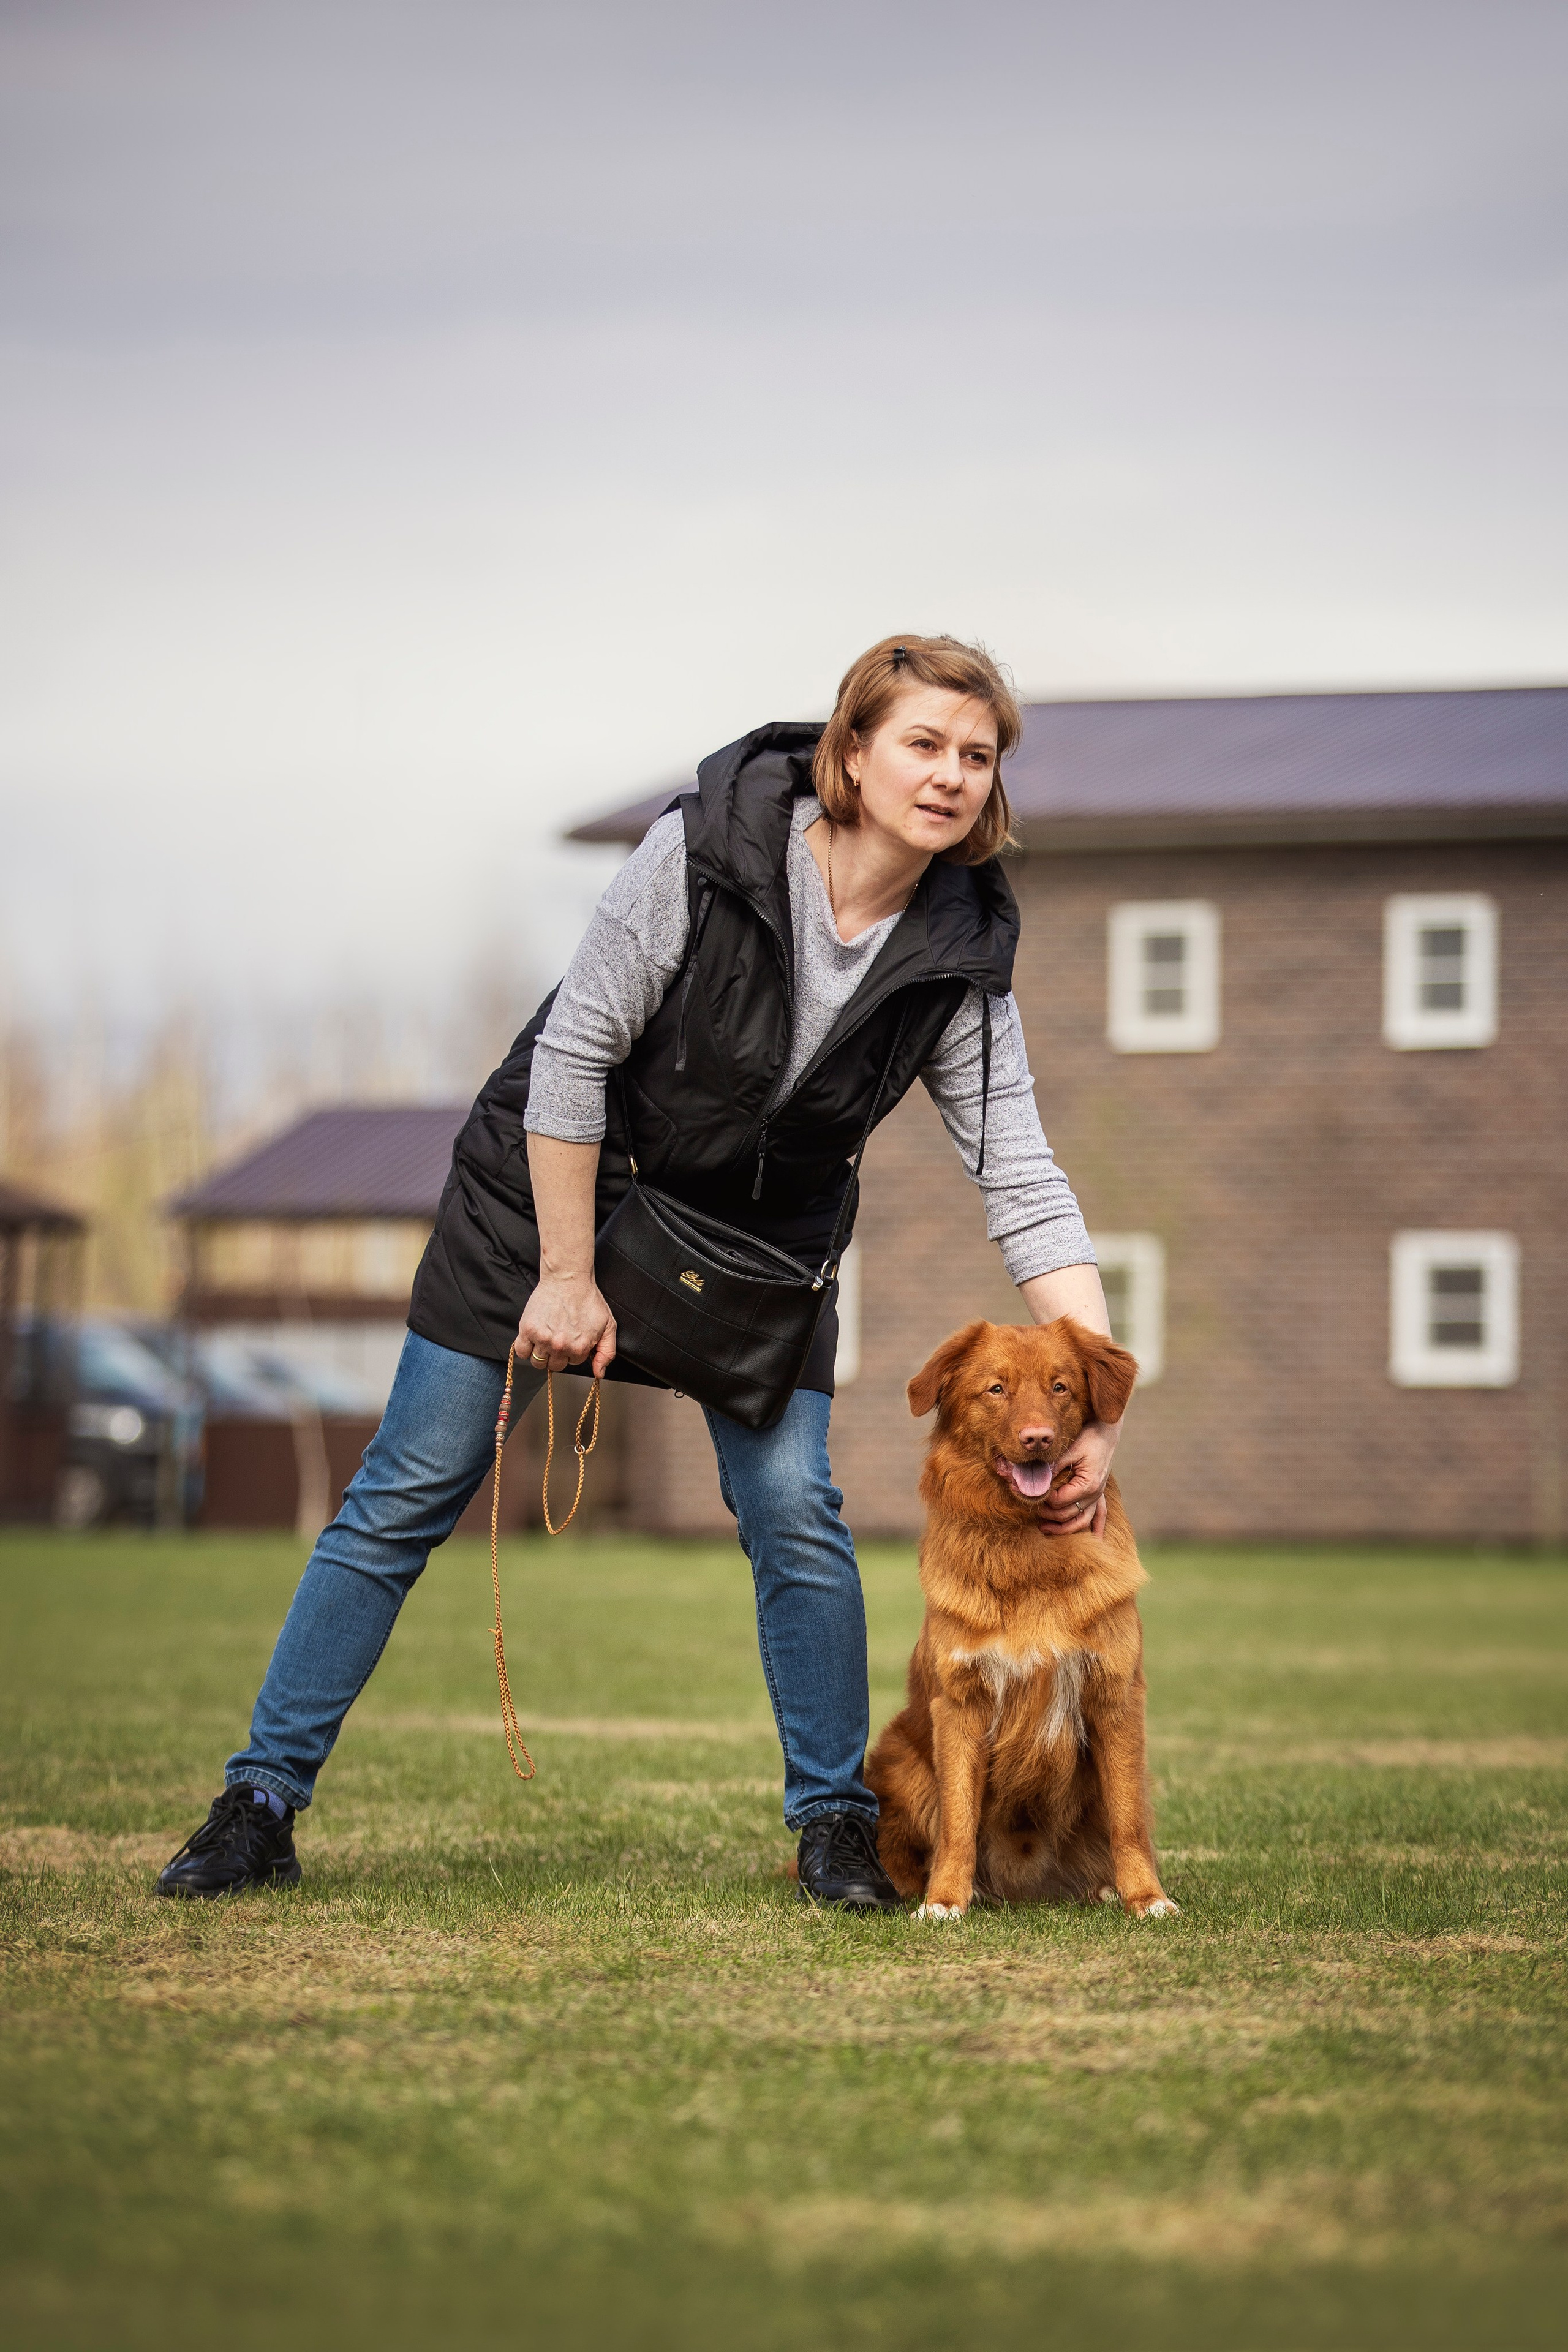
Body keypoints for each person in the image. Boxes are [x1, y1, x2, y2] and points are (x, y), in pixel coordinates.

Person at [156, 633, 1123, 1910]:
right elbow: (570, 1060)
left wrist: (1098, 1404)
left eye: (976, 755)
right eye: (920, 744)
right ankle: (258, 1803)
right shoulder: (704, 850)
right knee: (408, 1486)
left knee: (794, 1512)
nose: (947, 775)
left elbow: (1021, 1177)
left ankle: (832, 1825)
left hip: (755, 1250)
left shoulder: (958, 959)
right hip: (547, 1192)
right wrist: (564, 1276)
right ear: (850, 749)